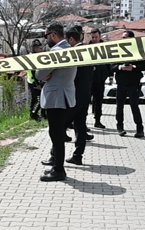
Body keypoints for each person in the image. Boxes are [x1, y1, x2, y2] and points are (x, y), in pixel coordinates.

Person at [37, 23, 76, 182]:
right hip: (65, 96)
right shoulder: (70, 49)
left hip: (56, 98)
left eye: (47, 37)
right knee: (58, 134)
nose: (46, 40)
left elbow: (40, 74)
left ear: (53, 35)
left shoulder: (56, 52)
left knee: (56, 135)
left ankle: (58, 170)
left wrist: (43, 74)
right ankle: (56, 166)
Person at [66, 26, 93, 166]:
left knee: (61, 125)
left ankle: (55, 157)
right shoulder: (87, 50)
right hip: (85, 94)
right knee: (80, 126)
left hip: (74, 95)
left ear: (71, 39)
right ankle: (78, 155)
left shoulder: (74, 52)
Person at [114, 31, 145, 138]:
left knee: (134, 106)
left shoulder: (139, 50)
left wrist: (133, 67)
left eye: (125, 38)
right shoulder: (118, 51)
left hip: (133, 83)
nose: (123, 40)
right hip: (121, 83)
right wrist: (120, 67)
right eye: (122, 38)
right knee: (119, 106)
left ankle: (139, 129)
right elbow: (111, 66)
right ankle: (120, 127)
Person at [89, 29, 111, 129]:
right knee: (84, 102)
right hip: (88, 80)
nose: (94, 39)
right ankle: (82, 123)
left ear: (100, 36)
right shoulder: (86, 47)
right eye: (92, 37)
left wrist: (105, 74)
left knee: (98, 102)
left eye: (96, 37)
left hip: (100, 79)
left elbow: (109, 63)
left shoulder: (105, 48)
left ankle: (97, 120)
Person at [26, 39, 45, 121]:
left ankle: (33, 114)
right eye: (37, 48)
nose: (39, 49)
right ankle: (34, 114)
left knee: (34, 99)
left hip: (34, 80)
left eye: (40, 47)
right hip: (33, 81)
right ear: (33, 48)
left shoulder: (36, 56)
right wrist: (37, 84)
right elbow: (33, 72)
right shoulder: (32, 57)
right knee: (39, 100)